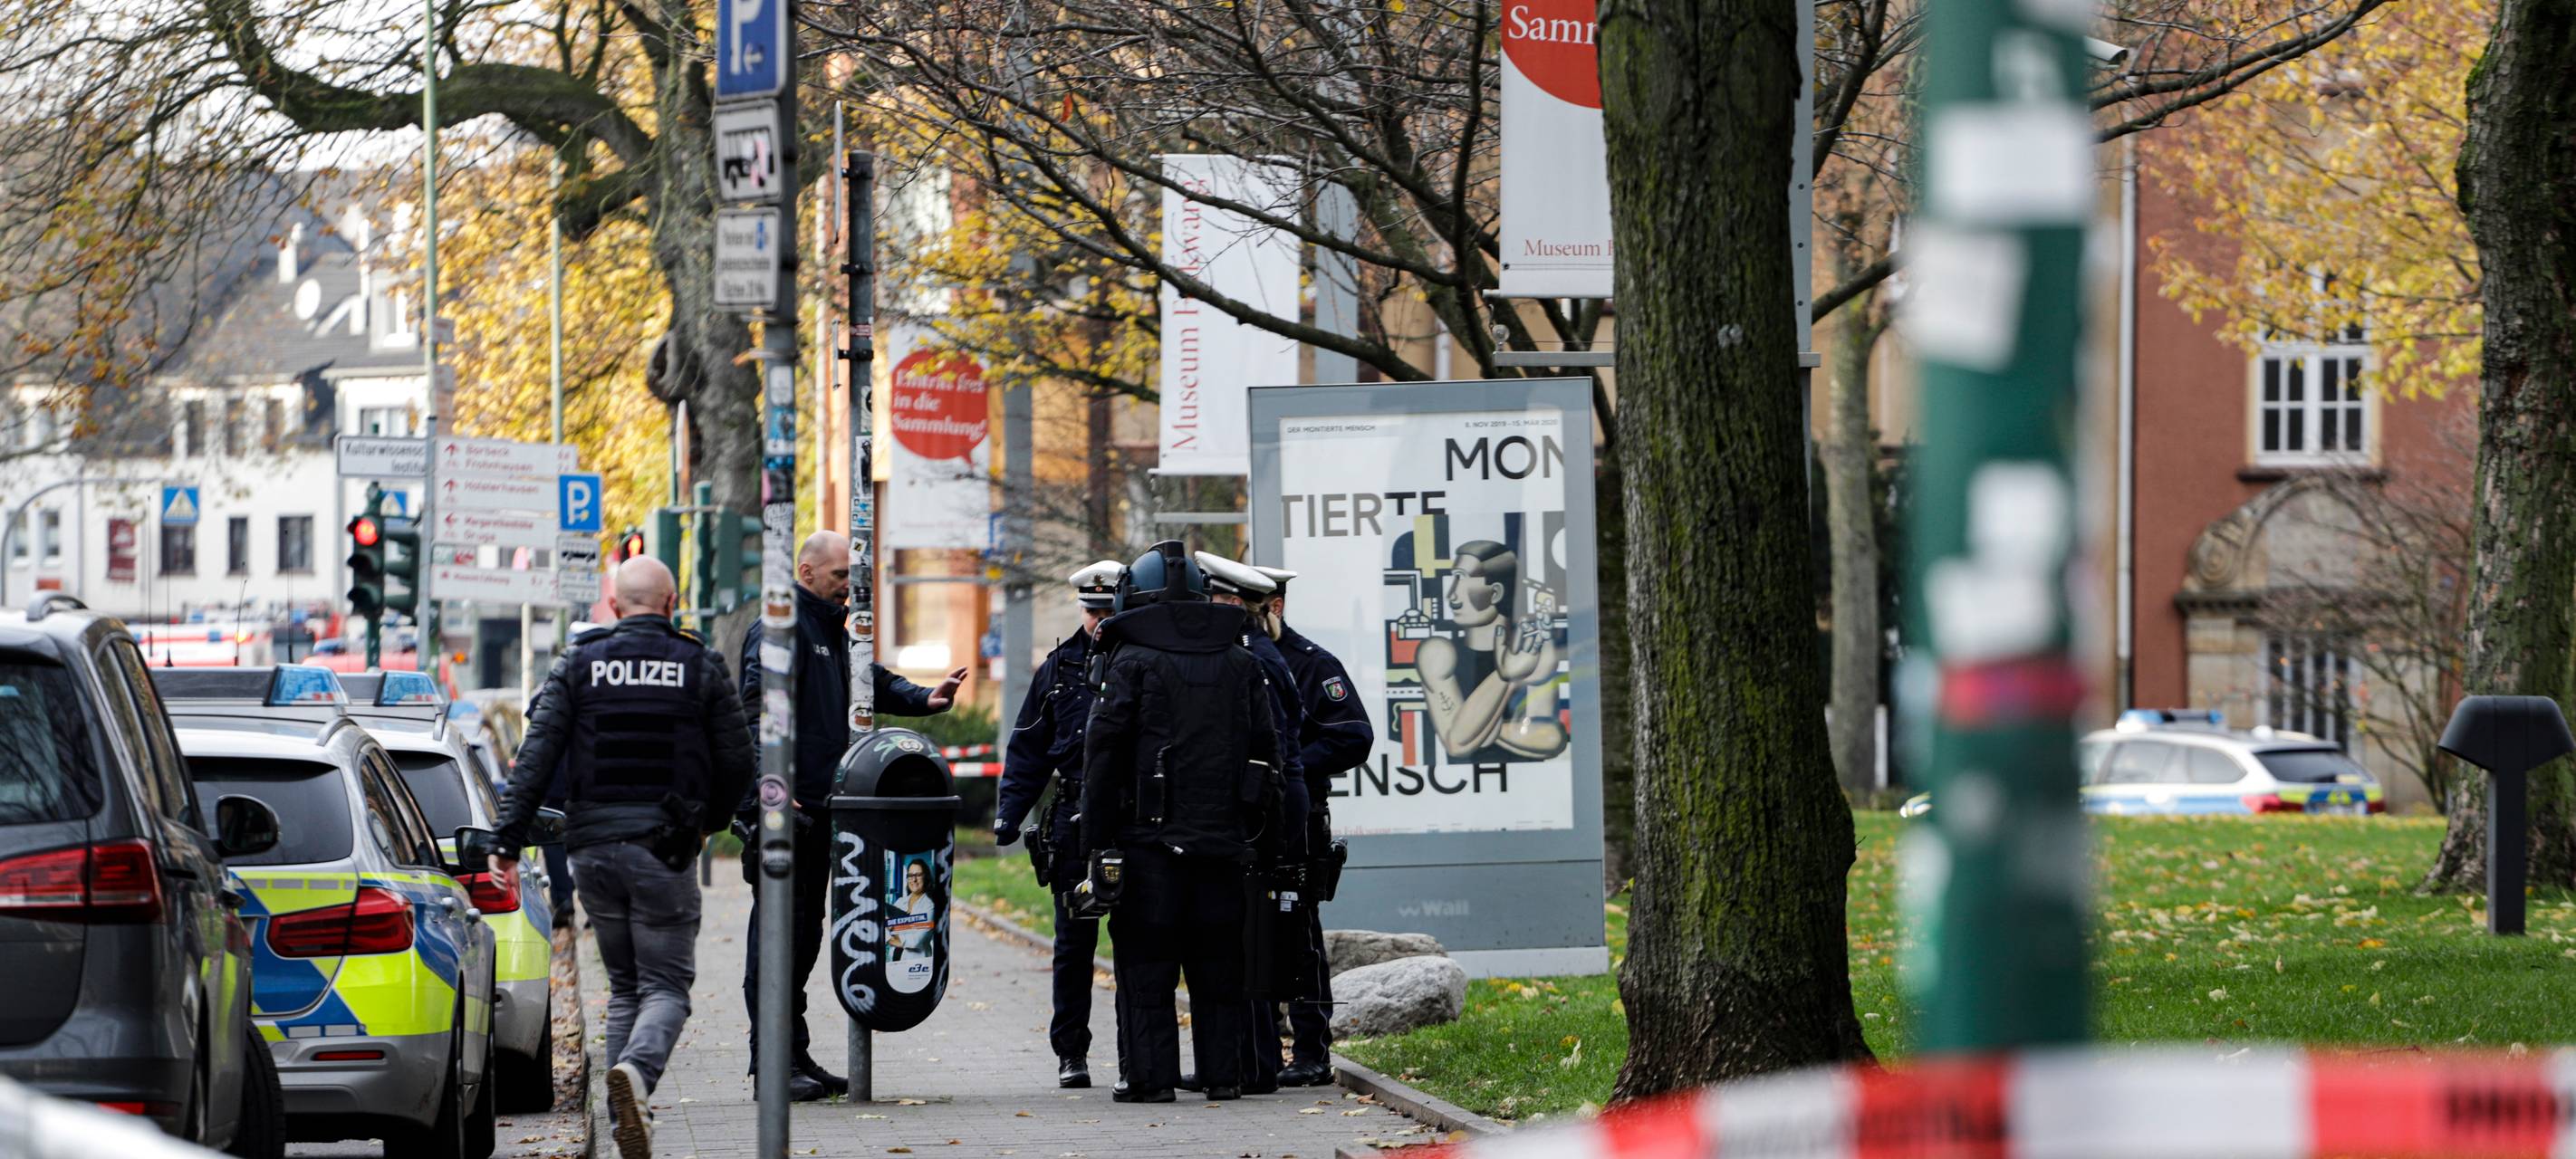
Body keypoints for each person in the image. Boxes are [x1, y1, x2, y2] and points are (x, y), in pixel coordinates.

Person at [489, 557, 756, 1159]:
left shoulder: (580, 663)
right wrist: (707, 822)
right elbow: (739, 759)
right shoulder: (698, 664)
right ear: (671, 604)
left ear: (613, 606)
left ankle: (622, 1122)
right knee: (667, 987)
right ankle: (635, 1073)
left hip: (591, 851)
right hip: (662, 846)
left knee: (626, 988)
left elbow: (536, 755)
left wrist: (507, 841)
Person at [735, 530, 965, 1101]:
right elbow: (756, 714)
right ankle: (771, 1064)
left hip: (825, 813)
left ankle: (793, 1055)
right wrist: (770, 785)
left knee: (806, 937)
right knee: (779, 937)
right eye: (841, 576)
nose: (850, 587)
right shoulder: (780, 629)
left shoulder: (834, 631)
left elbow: (869, 680)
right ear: (807, 572)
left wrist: (922, 698)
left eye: (853, 577)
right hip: (787, 813)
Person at [1080, 541, 1282, 1103]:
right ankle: (1223, 1076)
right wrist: (1264, 836)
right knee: (1220, 967)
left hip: (1148, 844)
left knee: (1147, 967)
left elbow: (1103, 758)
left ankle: (1151, 1081)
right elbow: (1267, 753)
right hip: (1225, 845)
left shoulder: (1131, 662)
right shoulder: (1241, 662)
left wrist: (1094, 844)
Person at [991, 559, 1122, 1089]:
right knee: (1073, 944)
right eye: (1093, 612)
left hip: (1128, 817)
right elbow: (1029, 747)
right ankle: (1071, 1052)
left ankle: (1138, 1057)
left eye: (1109, 611)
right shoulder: (1058, 666)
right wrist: (1008, 814)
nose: (1100, 621)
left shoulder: (1140, 661)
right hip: (1073, 820)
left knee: (1136, 940)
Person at [1254, 564, 1377, 1085]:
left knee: (1297, 933)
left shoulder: (1311, 663)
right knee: (1245, 933)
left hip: (1297, 817)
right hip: (1242, 820)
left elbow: (1353, 736)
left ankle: (1310, 1052)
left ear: (1275, 607)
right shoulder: (1229, 659)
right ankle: (1255, 1054)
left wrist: (1290, 767)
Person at [1190, 551, 1306, 1095]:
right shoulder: (1257, 654)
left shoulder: (1254, 660)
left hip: (1261, 811)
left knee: (1247, 940)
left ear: (1233, 604)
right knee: (1245, 938)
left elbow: (1268, 751)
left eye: (1211, 600)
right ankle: (1248, 1061)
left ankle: (1254, 1064)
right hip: (1265, 806)